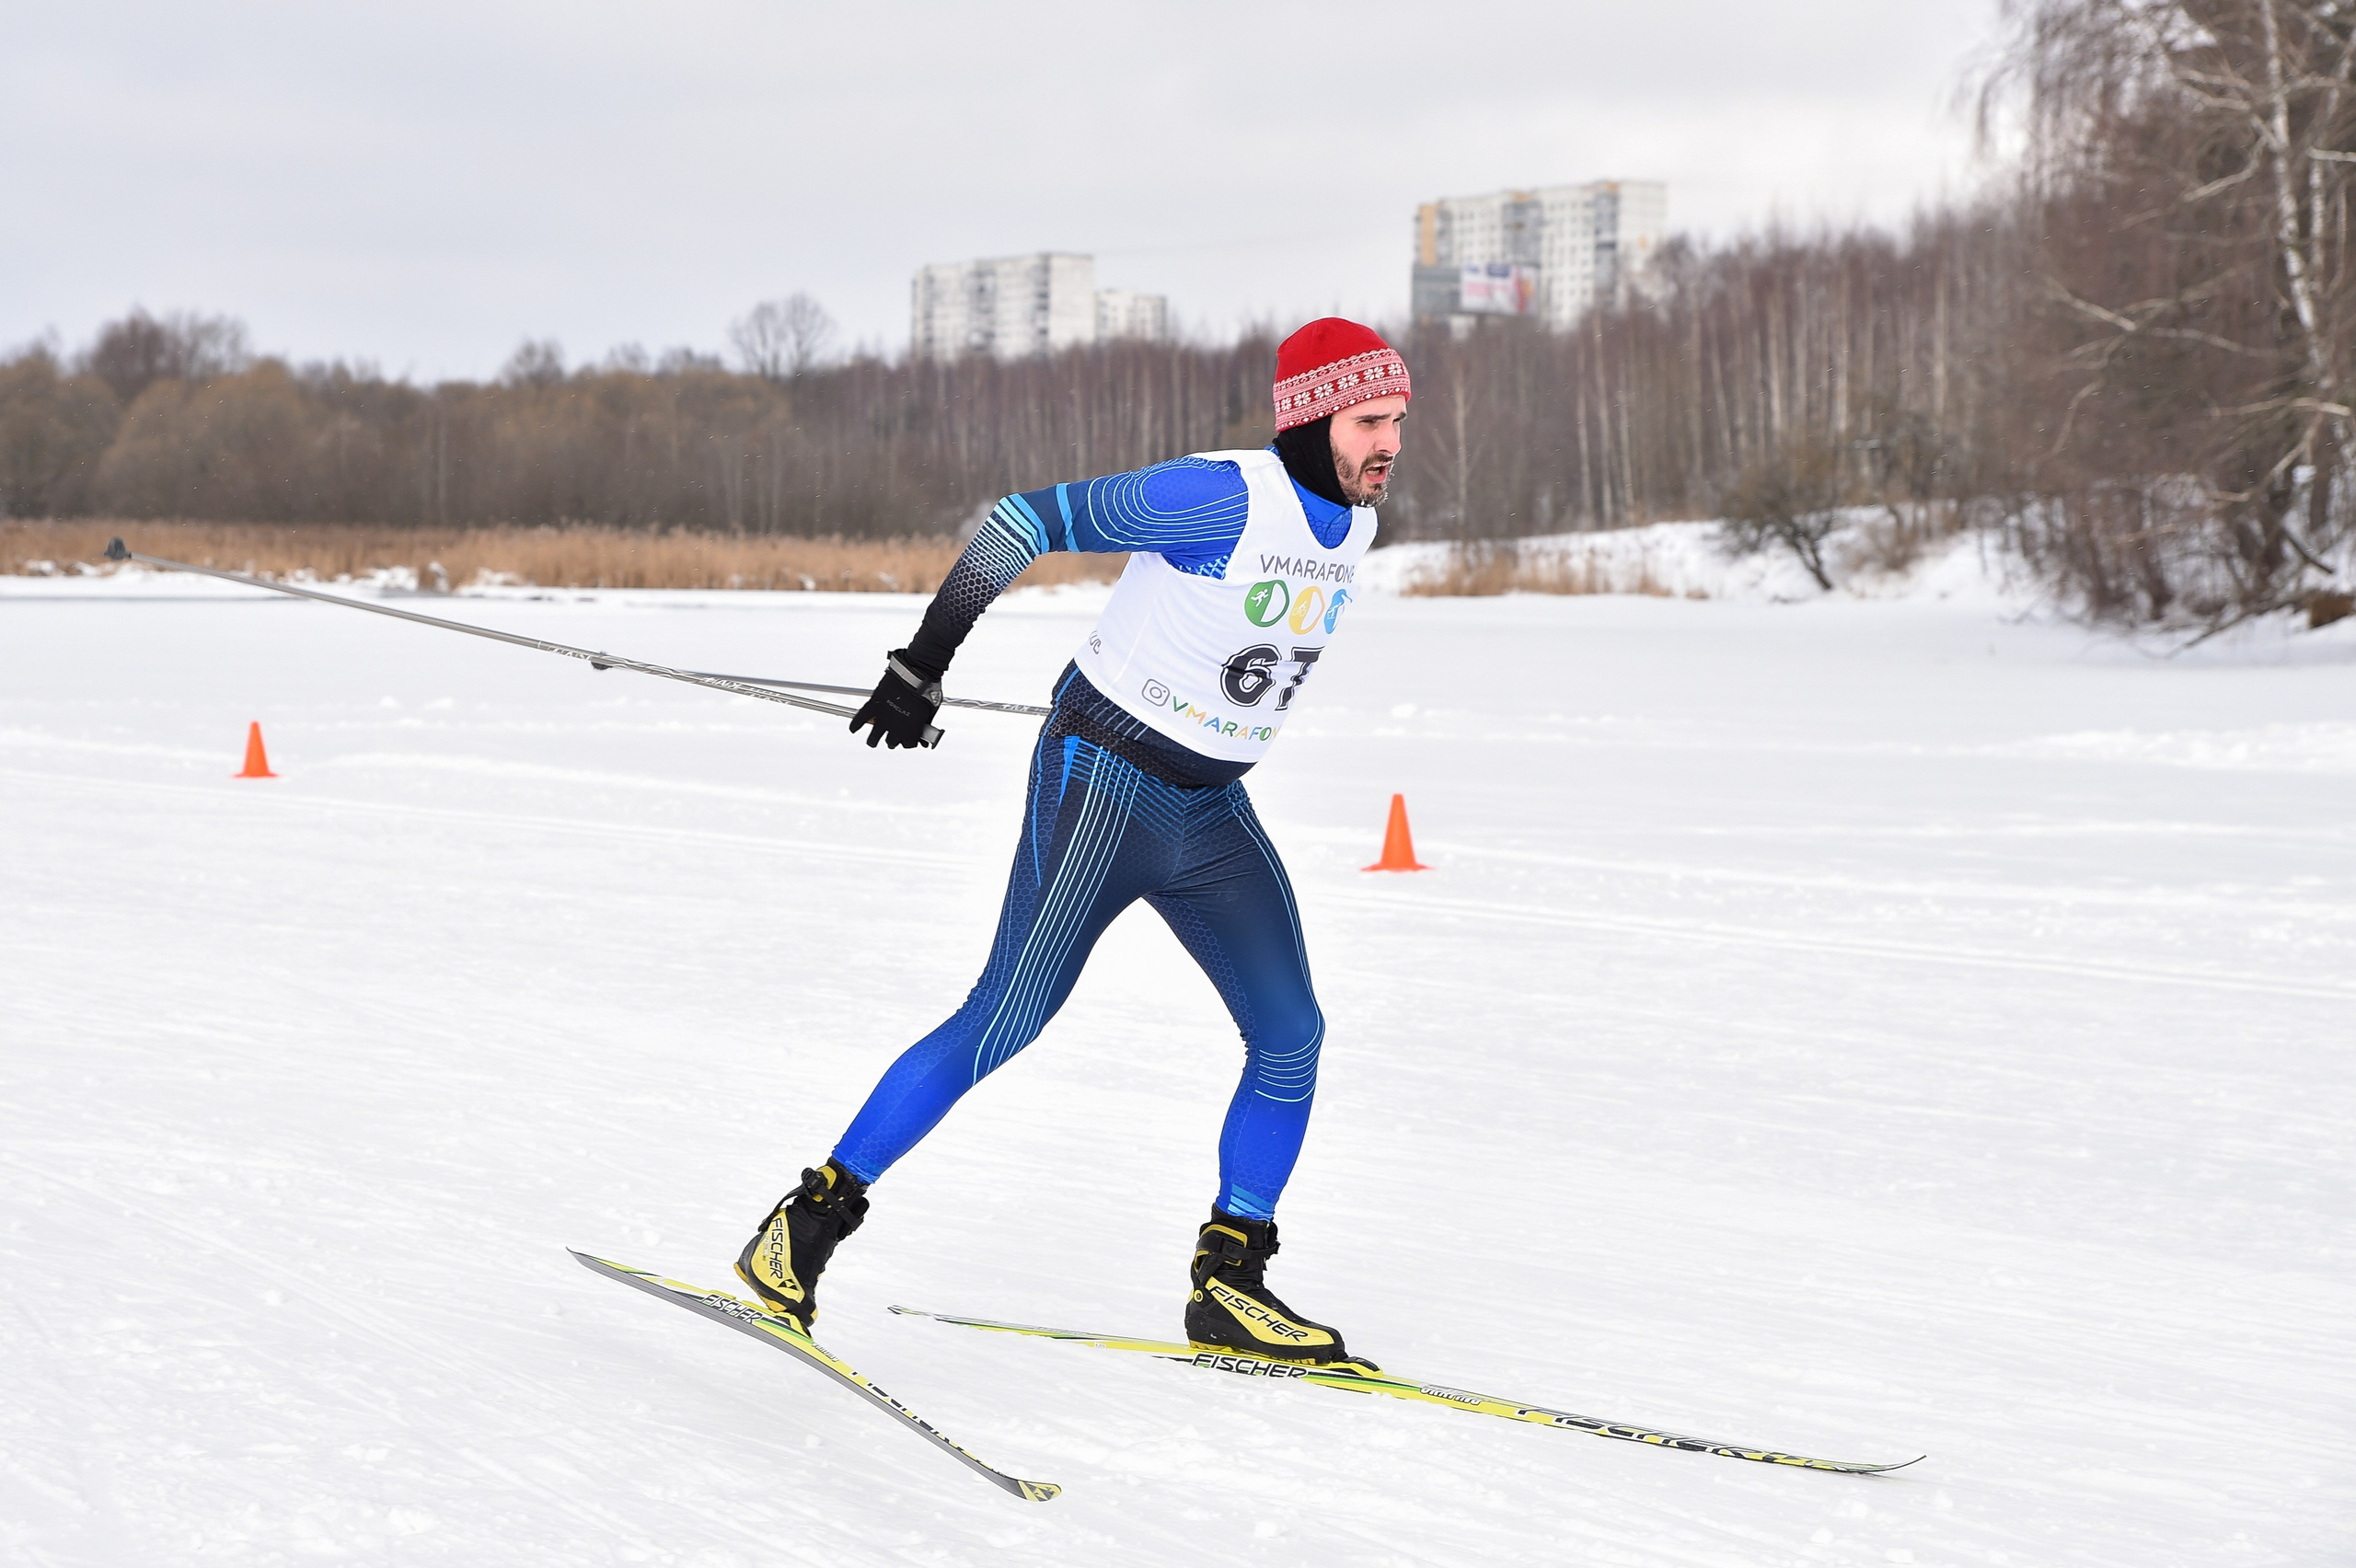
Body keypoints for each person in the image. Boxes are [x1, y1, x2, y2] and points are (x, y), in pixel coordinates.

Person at [736, 318, 1409, 1368]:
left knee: (1290, 1034)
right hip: (1103, 785)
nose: (1390, 443)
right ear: (1315, 415)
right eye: (1371, 420)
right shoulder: (1219, 495)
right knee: (1007, 1016)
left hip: (1210, 811)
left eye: (1398, 421)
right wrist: (922, 662)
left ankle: (1231, 1283)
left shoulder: (1355, 524)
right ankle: (804, 1225)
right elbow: (1021, 521)